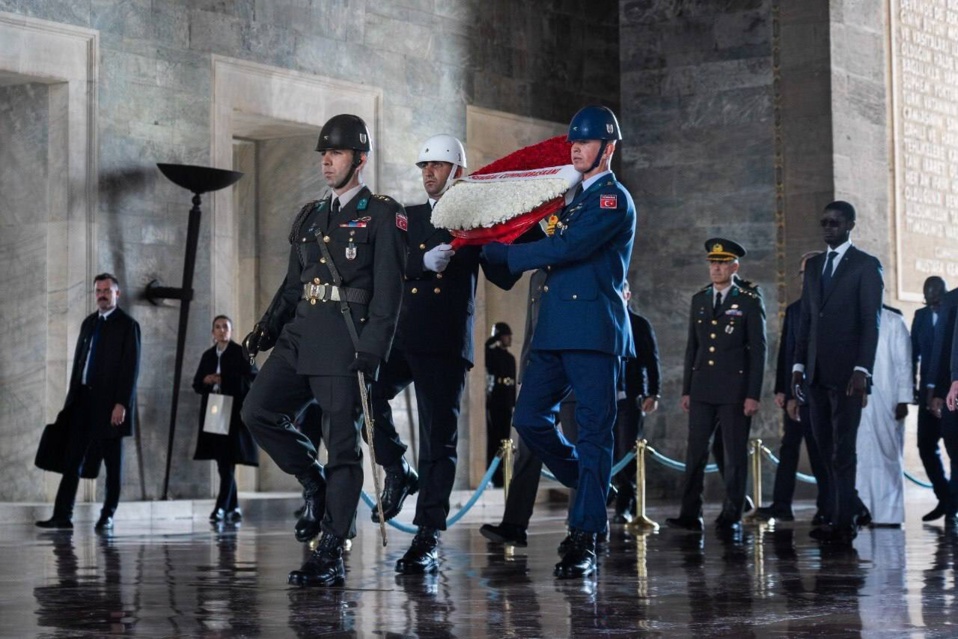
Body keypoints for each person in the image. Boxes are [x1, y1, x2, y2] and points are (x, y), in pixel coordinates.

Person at [240, 113, 406, 587]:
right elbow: (293, 286)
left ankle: (332, 547)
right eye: (324, 153)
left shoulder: (382, 215)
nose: (326, 161)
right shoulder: (311, 215)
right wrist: (266, 328)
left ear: (360, 159)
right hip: (300, 335)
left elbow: (389, 295)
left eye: (336, 153)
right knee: (257, 412)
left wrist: (373, 352)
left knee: (343, 450)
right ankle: (313, 481)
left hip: (345, 342)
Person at [481, 104, 636, 578]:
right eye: (574, 142)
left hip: (593, 333)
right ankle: (592, 486)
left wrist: (508, 255)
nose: (576, 149)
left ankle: (585, 535)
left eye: (585, 142)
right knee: (528, 419)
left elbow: (568, 248)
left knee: (593, 435)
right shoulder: (568, 201)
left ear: (607, 148)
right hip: (553, 333)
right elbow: (547, 236)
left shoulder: (611, 200)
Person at [368, 133, 522, 575]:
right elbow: (385, 266)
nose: (428, 173)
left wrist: (510, 230)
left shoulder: (474, 222)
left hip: (444, 342)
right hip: (403, 335)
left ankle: (428, 534)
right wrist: (420, 264)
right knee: (365, 397)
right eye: (424, 166)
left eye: (436, 165)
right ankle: (397, 468)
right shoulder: (409, 217)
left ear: (457, 171)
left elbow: (503, 274)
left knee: (439, 441)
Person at [792, 200, 884, 545]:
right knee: (822, 448)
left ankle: (845, 520)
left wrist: (863, 369)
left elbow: (870, 323)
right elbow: (806, 321)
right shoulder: (815, 266)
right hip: (815, 372)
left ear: (850, 226)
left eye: (835, 223)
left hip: (848, 375)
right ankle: (836, 512)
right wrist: (798, 365)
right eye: (824, 222)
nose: (828, 228)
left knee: (843, 450)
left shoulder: (865, 265)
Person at [665, 239, 766, 534]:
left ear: (734, 266)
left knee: (734, 454)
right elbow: (692, 347)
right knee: (695, 453)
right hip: (702, 389)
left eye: (722, 263)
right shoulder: (700, 299)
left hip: (734, 390)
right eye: (712, 263)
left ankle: (732, 512)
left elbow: (758, 351)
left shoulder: (748, 299)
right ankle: (690, 514)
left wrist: (752, 394)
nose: (716, 268)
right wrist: (687, 389)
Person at [36, 273, 141, 531]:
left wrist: (121, 403)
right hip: (82, 402)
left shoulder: (128, 325)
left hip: (110, 405)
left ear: (117, 293)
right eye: (98, 291)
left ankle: (108, 515)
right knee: (71, 460)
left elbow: (131, 368)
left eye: (107, 290)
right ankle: (62, 515)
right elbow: (80, 364)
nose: (102, 295)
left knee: (112, 463)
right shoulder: (89, 323)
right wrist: (71, 400)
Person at [753, 252, 828, 524]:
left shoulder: (831, 307)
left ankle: (827, 506)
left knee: (819, 451)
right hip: (795, 392)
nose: (805, 278)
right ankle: (781, 504)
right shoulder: (795, 310)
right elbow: (788, 350)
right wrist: (782, 390)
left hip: (819, 392)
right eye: (802, 273)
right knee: (789, 447)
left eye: (810, 272)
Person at [192, 315, 259, 523]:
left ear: (231, 330)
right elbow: (196, 384)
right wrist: (207, 380)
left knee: (227, 460)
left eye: (225, 327)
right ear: (213, 332)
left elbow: (252, 378)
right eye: (218, 327)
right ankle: (234, 506)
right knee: (223, 462)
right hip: (214, 412)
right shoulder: (208, 355)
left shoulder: (240, 353)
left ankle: (221, 507)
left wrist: (225, 380)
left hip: (234, 415)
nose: (222, 331)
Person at [856, 305, 912, 526]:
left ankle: (889, 515)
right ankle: (862, 510)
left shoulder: (894, 321)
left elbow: (904, 363)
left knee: (887, 455)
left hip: (888, 400)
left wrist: (903, 399)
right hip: (858, 401)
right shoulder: (851, 319)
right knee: (860, 456)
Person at [613, 281, 661, 524]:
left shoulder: (640, 325)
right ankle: (612, 499)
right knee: (611, 453)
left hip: (630, 397)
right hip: (606, 398)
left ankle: (625, 505)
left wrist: (654, 393)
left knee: (627, 451)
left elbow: (652, 361)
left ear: (628, 295)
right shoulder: (605, 322)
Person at [912, 276, 952, 521]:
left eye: (937, 300)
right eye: (929, 301)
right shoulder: (921, 316)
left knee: (954, 450)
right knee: (925, 446)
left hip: (951, 393)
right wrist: (910, 388)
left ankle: (952, 503)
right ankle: (945, 498)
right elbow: (912, 353)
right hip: (926, 393)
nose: (933, 305)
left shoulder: (954, 312)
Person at [485, 322, 517, 488]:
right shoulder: (491, 354)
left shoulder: (510, 358)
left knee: (505, 439)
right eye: (506, 335)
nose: (509, 338)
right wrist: (494, 337)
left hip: (506, 401)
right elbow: (485, 348)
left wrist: (513, 403)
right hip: (495, 401)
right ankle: (492, 475)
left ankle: (503, 476)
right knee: (494, 439)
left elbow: (513, 384)